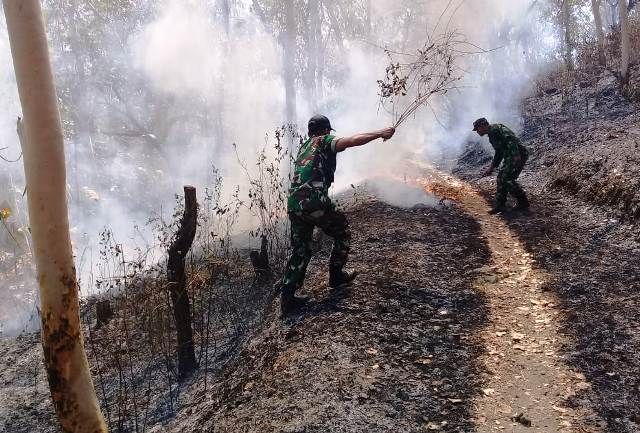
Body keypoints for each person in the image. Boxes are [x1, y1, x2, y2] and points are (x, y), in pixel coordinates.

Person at [280, 115, 396, 316]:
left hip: (294, 204)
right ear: (326, 131)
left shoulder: (303, 147)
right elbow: (350, 141)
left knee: (300, 249)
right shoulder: (324, 140)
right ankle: (336, 277)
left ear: (309, 132)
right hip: (314, 200)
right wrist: (379, 133)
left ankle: (287, 299)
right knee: (342, 232)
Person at [473, 117, 529, 214]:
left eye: (477, 129)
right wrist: (491, 167)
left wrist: (515, 157)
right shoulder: (491, 134)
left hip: (517, 155)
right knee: (500, 178)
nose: (477, 132)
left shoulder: (496, 130)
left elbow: (511, 140)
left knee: (507, 179)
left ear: (483, 126)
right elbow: (499, 152)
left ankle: (523, 202)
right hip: (510, 156)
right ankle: (500, 205)